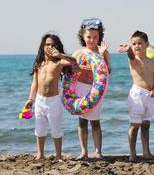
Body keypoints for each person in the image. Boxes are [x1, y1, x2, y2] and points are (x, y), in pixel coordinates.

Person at [25, 32, 76, 161]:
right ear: (43, 46)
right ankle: (40, 154)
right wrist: (30, 99)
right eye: (47, 44)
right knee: (40, 129)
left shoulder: (59, 62)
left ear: (56, 47)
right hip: (40, 100)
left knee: (56, 129)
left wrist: (59, 54)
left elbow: (73, 61)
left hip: (54, 101)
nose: (49, 47)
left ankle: (58, 155)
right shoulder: (38, 63)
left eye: (53, 45)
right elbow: (34, 83)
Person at [118, 30, 154, 161]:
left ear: (146, 44)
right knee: (135, 125)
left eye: (140, 43)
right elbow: (131, 55)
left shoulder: (153, 61)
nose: (137, 46)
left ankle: (146, 152)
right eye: (134, 44)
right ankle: (132, 153)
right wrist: (127, 50)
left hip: (149, 95)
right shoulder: (134, 60)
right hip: (137, 94)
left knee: (146, 125)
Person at [72, 18, 111, 160]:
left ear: (100, 37)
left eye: (95, 37)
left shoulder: (103, 52)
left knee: (95, 121)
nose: (92, 40)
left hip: (96, 89)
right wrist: (78, 68)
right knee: (82, 121)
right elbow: (70, 72)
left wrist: (101, 55)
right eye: (89, 37)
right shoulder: (78, 53)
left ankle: (98, 151)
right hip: (81, 88)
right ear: (83, 36)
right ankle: (84, 152)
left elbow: (108, 71)